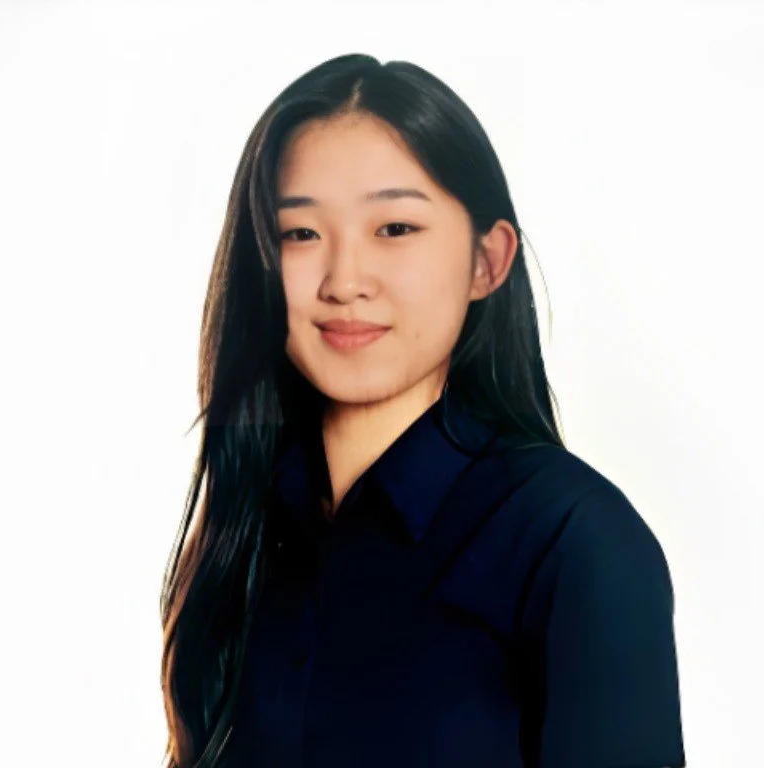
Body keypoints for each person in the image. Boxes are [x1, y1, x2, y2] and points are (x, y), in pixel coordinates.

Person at [159, 54, 686, 768]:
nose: (344, 281)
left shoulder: (575, 541)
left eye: (395, 229)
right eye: (300, 234)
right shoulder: (245, 531)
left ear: (486, 262)